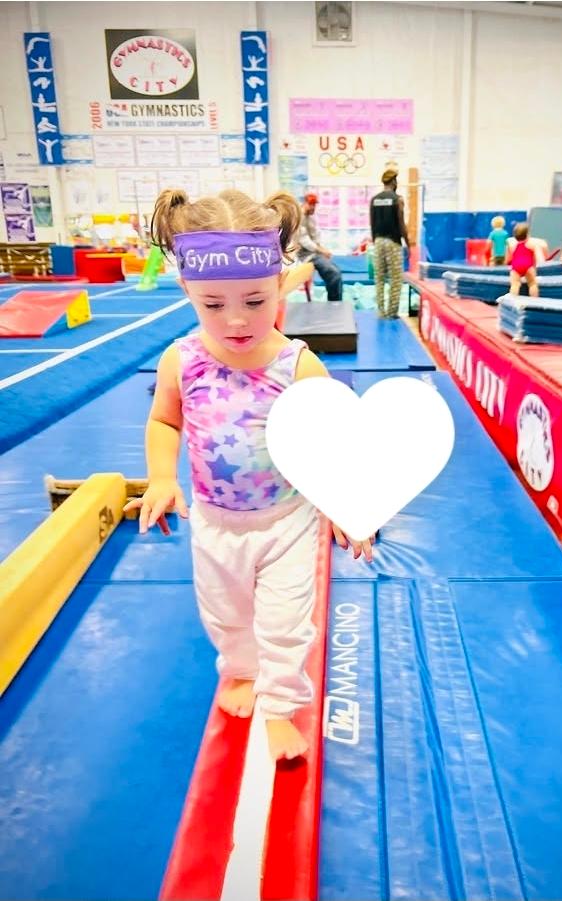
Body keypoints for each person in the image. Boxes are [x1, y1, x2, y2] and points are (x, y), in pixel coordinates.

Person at [123, 188, 372, 762]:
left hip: (286, 521)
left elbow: (331, 441)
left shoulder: (297, 365)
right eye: (213, 304)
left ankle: (280, 705)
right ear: (186, 289)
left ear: (280, 286)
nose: (236, 320)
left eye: (255, 301)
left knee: (286, 620)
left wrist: (346, 503)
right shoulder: (182, 359)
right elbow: (165, 420)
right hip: (215, 521)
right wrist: (161, 477)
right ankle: (239, 670)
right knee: (226, 612)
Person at [370, 168, 410, 319]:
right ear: (394, 182)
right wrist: (408, 244)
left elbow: (372, 223)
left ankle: (381, 311)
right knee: (395, 278)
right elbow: (401, 224)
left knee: (379, 278)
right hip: (393, 242)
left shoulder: (374, 200)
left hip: (378, 241)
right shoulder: (397, 199)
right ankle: (392, 312)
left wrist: (375, 240)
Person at [297, 192, 343, 301]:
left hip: (314, 254)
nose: (313, 207)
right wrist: (322, 251)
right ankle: (334, 303)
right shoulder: (299, 219)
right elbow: (305, 242)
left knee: (337, 271)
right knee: (334, 274)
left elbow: (315, 239)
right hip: (306, 256)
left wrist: (323, 250)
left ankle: (337, 301)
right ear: (305, 204)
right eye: (311, 204)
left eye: (314, 204)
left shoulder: (310, 219)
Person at [508, 222, 539, 297]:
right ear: (527, 235)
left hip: (516, 266)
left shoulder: (512, 245)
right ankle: (534, 300)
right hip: (528, 265)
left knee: (515, 285)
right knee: (532, 284)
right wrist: (534, 267)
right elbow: (535, 259)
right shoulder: (531, 245)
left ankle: (512, 300)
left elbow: (510, 258)